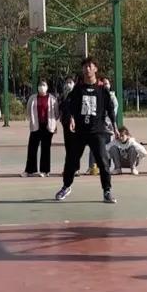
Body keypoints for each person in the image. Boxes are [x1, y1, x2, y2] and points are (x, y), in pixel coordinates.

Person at [57, 58, 116, 203]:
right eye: (85, 66)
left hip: (97, 132)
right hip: (80, 132)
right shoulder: (78, 89)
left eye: (90, 66)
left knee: (103, 162)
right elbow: (67, 105)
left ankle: (107, 191)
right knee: (71, 161)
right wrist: (70, 117)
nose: (87, 69)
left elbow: (110, 109)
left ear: (95, 69)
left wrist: (114, 126)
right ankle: (66, 186)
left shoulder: (102, 89)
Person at [23, 79, 59, 177]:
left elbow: (56, 113)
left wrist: (53, 123)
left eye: (43, 85)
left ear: (47, 87)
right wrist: (32, 119)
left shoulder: (52, 99)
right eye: (40, 85)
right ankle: (30, 170)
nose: (41, 87)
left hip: (47, 126)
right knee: (32, 147)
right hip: (36, 125)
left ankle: (45, 170)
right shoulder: (32, 98)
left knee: (45, 148)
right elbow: (28, 110)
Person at [86, 78, 118, 175]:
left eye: (107, 83)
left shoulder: (113, 98)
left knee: (107, 147)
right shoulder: (96, 94)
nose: (105, 85)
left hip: (107, 127)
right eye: (103, 83)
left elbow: (112, 112)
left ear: (110, 85)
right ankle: (92, 167)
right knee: (94, 146)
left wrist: (108, 123)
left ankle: (106, 167)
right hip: (96, 126)